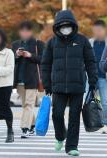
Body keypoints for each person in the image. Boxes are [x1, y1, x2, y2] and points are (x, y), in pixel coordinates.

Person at [41, 10, 98, 156]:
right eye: (62, 26)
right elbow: (45, 64)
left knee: (74, 117)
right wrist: (47, 84)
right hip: (58, 86)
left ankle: (72, 146)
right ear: (57, 27)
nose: (65, 28)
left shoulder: (82, 40)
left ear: (73, 25)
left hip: (77, 86)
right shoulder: (52, 43)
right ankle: (60, 136)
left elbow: (91, 62)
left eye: (68, 25)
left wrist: (93, 81)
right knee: (57, 115)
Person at [12, 21, 45, 138]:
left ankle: (24, 128)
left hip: (32, 79)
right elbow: (11, 62)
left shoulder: (38, 44)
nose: (24, 33)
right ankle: (32, 126)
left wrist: (30, 55)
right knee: (25, 105)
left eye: (27, 31)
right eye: (22, 31)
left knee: (29, 104)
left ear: (31, 32)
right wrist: (16, 55)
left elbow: (44, 60)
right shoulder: (15, 44)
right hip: (19, 80)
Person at [89, 20, 107, 134]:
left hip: (103, 77)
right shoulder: (90, 42)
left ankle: (105, 123)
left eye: (99, 30)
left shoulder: (106, 43)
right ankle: (93, 122)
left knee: (104, 101)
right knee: (92, 100)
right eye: (95, 30)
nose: (97, 32)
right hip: (91, 76)